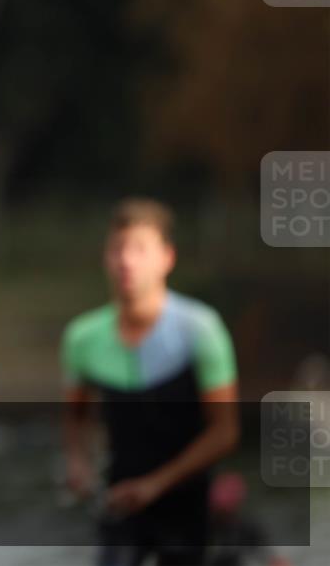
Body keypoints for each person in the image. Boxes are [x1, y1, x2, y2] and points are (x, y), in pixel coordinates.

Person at [61, 198, 240, 566]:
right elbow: (75, 417)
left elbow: (225, 432)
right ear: (106, 258)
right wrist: (78, 463)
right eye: (117, 249)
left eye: (140, 249)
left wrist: (156, 484)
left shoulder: (200, 329)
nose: (127, 261)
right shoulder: (82, 337)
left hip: (186, 502)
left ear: (167, 258)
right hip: (121, 499)